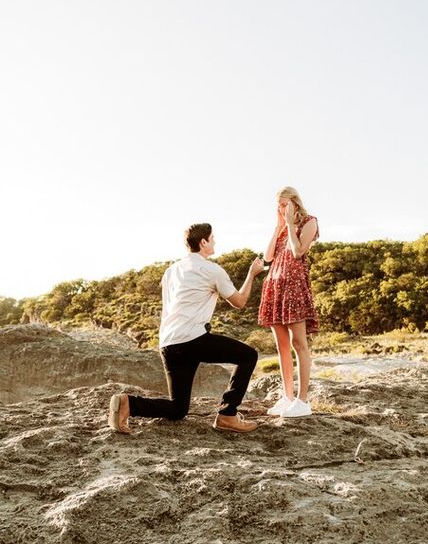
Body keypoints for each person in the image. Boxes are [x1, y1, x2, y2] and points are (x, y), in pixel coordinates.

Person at [108, 223, 264, 434]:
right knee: (248, 355)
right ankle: (227, 415)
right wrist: (252, 274)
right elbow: (239, 301)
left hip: (169, 343)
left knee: (178, 408)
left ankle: (129, 403)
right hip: (193, 340)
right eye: (212, 238)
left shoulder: (171, 271)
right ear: (203, 242)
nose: (215, 241)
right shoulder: (211, 270)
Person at [258, 186, 319, 418]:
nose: (282, 209)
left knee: (298, 344)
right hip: (275, 286)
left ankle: (303, 401)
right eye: (279, 205)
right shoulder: (282, 227)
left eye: (285, 204)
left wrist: (292, 226)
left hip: (294, 287)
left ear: (295, 202)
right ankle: (288, 396)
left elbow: (297, 252)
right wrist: (279, 227)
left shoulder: (309, 222)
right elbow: (268, 257)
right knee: (282, 345)